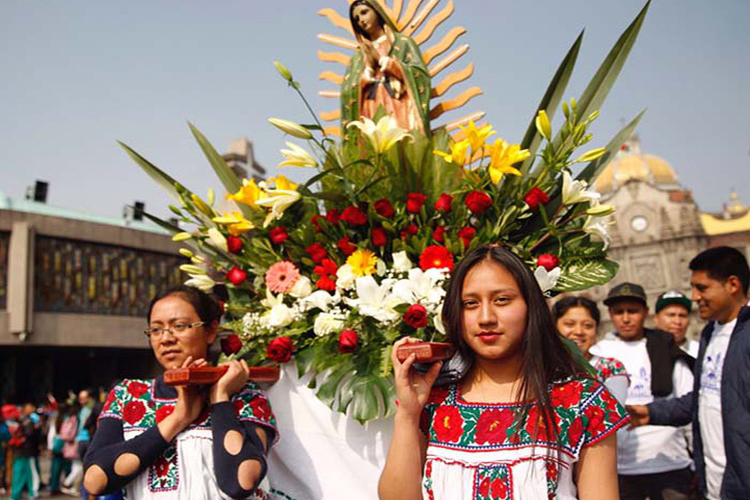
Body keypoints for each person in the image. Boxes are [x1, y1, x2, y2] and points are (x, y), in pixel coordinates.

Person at [379, 245, 628, 499]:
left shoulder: (582, 401)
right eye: (470, 303)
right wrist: (409, 414)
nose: (486, 317)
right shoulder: (434, 401)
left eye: (502, 300)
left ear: (531, 306)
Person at [82, 285, 277, 499]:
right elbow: (94, 481)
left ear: (211, 331)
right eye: (156, 329)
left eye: (180, 326)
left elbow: (239, 483)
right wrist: (178, 418)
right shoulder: (129, 395)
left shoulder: (245, 396)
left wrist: (220, 399)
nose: (166, 338)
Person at [628, 246, 750, 500]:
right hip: (716, 484)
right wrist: (650, 413)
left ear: (733, 284)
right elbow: (704, 399)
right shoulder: (710, 333)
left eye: (702, 288)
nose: (694, 296)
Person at [590, 282, 695, 500]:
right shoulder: (599, 353)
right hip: (621, 467)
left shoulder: (665, 347)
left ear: (646, 313)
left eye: (633, 311)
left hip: (669, 462)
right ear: (610, 314)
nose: (626, 318)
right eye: (619, 312)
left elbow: (690, 401)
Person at [341, 0, 431, 133]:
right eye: (357, 19)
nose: (361, 20)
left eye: (364, 12)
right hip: (371, 105)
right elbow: (348, 91)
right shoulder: (358, 57)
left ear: (377, 12)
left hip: (399, 103)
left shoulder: (402, 43)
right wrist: (367, 73)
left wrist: (387, 63)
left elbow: (420, 76)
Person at [552, 296, 630, 403]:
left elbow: (614, 413)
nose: (579, 331)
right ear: (554, 328)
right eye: (570, 324)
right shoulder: (541, 369)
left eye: (587, 326)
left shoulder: (610, 368)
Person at [9, 402, 41, 500]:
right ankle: (33, 493)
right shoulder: (29, 421)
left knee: (18, 473)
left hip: (18, 450)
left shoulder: (14, 422)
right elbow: (31, 435)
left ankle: (15, 495)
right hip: (28, 451)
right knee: (30, 472)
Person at [654, 290, 699, 356]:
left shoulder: (699, 352)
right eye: (671, 315)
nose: (677, 321)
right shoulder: (644, 352)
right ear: (656, 319)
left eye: (682, 316)